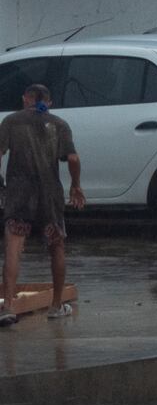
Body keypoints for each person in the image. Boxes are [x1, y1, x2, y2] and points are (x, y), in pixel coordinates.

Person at [0, 83, 84, 328]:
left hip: (19, 193)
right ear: (49, 103)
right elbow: (73, 158)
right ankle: (57, 306)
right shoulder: (59, 125)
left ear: (25, 98)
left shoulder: (11, 122)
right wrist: (76, 186)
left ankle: (7, 307)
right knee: (56, 246)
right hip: (50, 194)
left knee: (14, 246)